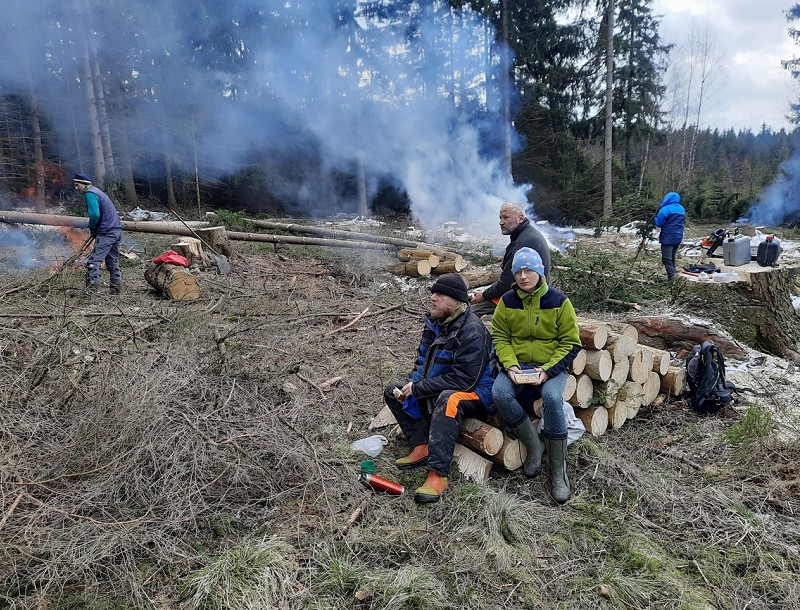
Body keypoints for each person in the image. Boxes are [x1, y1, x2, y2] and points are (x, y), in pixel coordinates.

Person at [384, 273, 495, 504]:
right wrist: (410, 386)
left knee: (449, 399)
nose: (433, 298)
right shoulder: (435, 323)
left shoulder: (472, 330)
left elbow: (465, 380)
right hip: (448, 383)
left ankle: (438, 473)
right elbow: (422, 362)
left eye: (440, 294)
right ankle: (422, 445)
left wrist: (421, 388)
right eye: (433, 293)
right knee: (392, 391)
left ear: (456, 301)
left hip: (478, 391)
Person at [490, 247, 581, 504]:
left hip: (551, 366)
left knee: (552, 398)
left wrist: (548, 370)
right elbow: (500, 337)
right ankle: (534, 447)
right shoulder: (507, 301)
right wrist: (510, 365)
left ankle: (558, 472)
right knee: (500, 393)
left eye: (529, 270)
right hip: (518, 365)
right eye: (518, 271)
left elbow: (571, 343)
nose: (523, 276)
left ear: (540, 272)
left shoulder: (559, 301)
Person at [471, 202, 551, 317]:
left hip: (528, 299)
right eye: (500, 218)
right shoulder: (525, 234)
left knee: (471, 314)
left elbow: (507, 282)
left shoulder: (525, 241)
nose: (501, 222)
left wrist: (484, 295)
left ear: (521, 218)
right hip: (526, 292)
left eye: (506, 217)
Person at [73, 173, 123, 294]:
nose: (76, 188)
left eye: (77, 185)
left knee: (93, 262)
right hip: (116, 230)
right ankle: (116, 291)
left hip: (106, 232)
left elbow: (95, 214)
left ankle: (92, 292)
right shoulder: (98, 192)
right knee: (112, 261)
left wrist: (92, 226)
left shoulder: (90, 193)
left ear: (84, 184)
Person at [653, 191, 685, 280]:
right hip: (678, 236)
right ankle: (673, 277)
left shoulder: (665, 209)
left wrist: (654, 218)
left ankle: (672, 278)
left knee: (666, 258)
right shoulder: (681, 209)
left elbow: (659, 223)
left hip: (668, 236)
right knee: (672, 257)